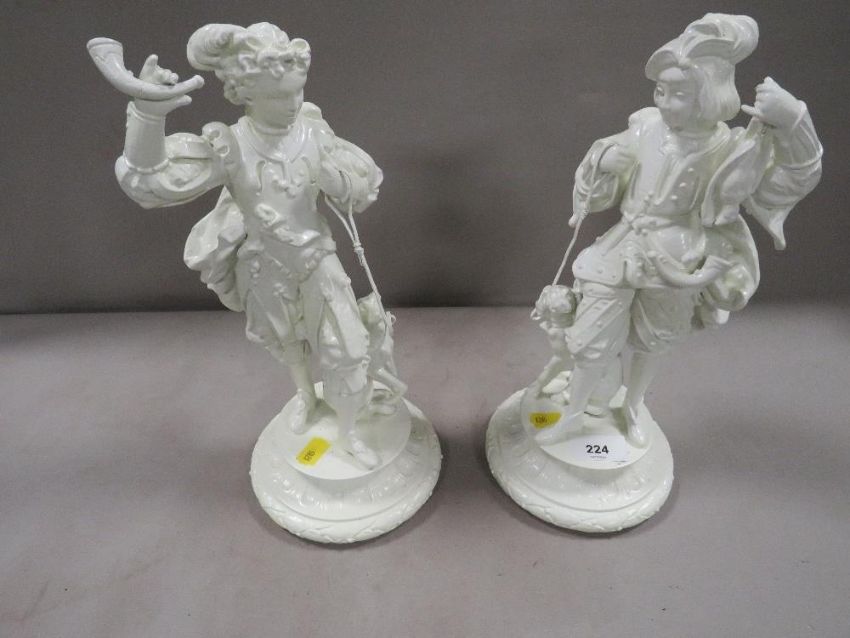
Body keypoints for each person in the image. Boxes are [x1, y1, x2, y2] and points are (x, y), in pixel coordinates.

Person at [534, 14, 822, 447]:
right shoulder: (645, 125)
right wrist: (602, 162)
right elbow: (601, 175)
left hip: (681, 257)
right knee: (590, 339)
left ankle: (632, 406)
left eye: (680, 94)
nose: (666, 103)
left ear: (710, 94)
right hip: (622, 247)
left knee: (655, 340)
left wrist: (794, 120)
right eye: (660, 91)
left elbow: (791, 180)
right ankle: (574, 415)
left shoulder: (733, 148)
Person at [114, 22, 390, 468]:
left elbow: (361, 186)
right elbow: (152, 182)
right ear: (245, 94)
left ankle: (348, 429)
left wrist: (340, 182)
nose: (293, 104)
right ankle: (306, 395)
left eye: (297, 92)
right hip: (264, 263)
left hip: (318, 258)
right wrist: (148, 114)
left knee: (348, 348)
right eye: (280, 97)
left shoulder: (314, 131)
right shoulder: (230, 145)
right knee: (285, 338)